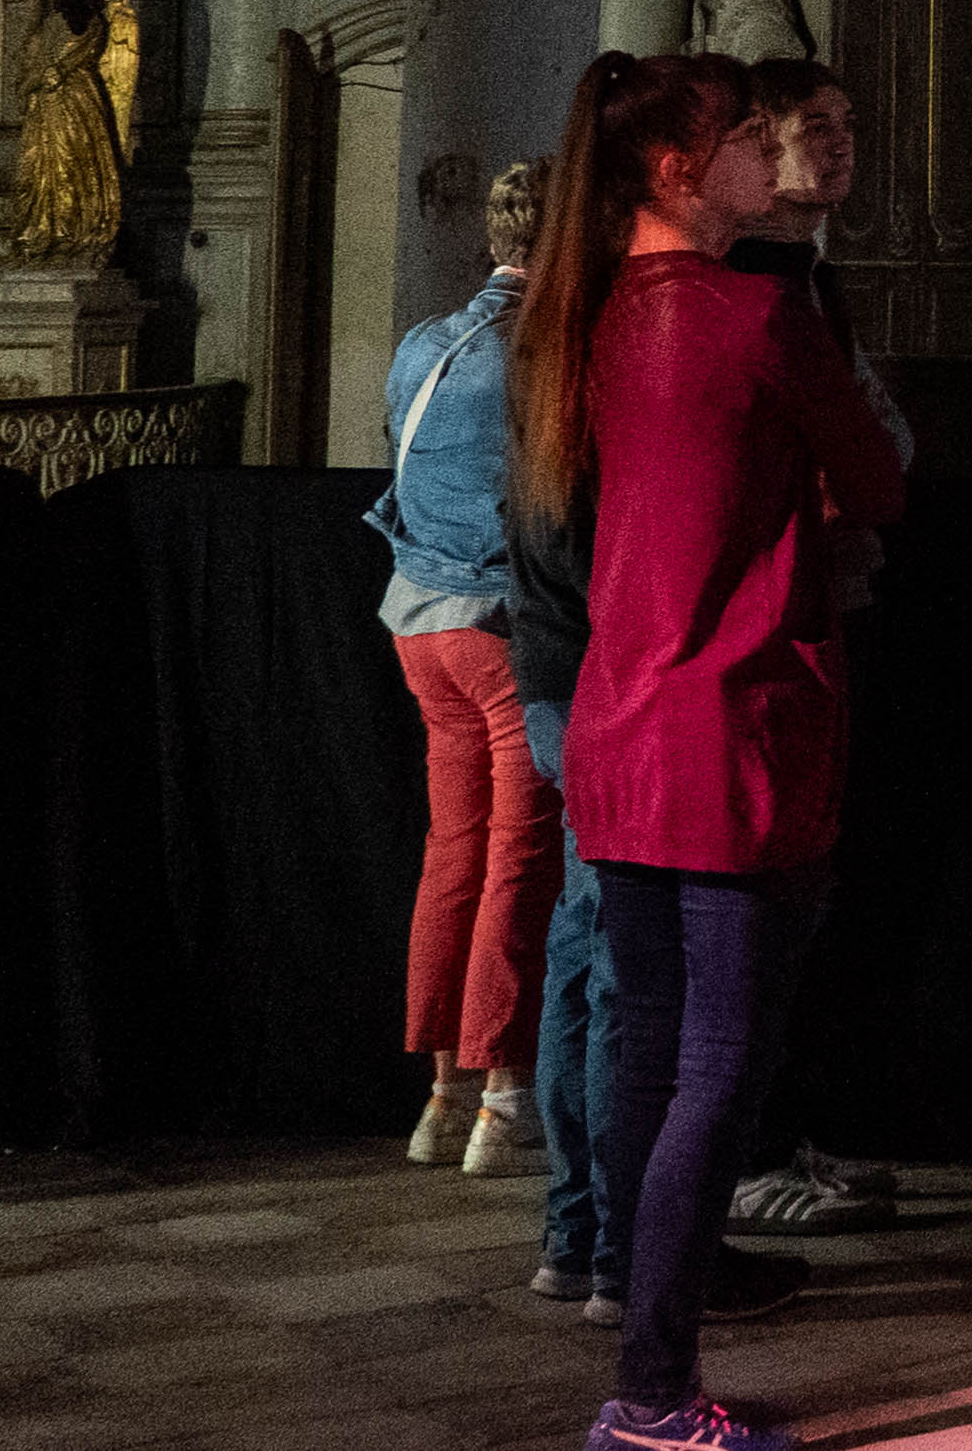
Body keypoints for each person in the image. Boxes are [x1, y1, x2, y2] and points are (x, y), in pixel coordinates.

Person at [526, 49, 907, 1451]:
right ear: (681, 171)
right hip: (734, 733)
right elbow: (877, 477)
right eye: (749, 139)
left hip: (625, 733)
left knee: (647, 1051)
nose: (771, 160)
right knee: (716, 1072)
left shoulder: (590, 312)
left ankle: (642, 1331)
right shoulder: (756, 315)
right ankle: (654, 1390)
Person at [723, 57, 903, 1243]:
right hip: (763, 626)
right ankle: (740, 1158)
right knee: (749, 909)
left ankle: (787, 1127)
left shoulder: (811, 280)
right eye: (812, 127)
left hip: (828, 610)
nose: (840, 145)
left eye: (847, 123)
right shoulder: (744, 286)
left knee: (814, 899)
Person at [380, 157, 560, 1184]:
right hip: (495, 623)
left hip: (418, 621)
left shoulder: (423, 342)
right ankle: (503, 1097)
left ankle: (441, 1095)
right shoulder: (539, 348)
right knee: (517, 856)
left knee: (452, 850)